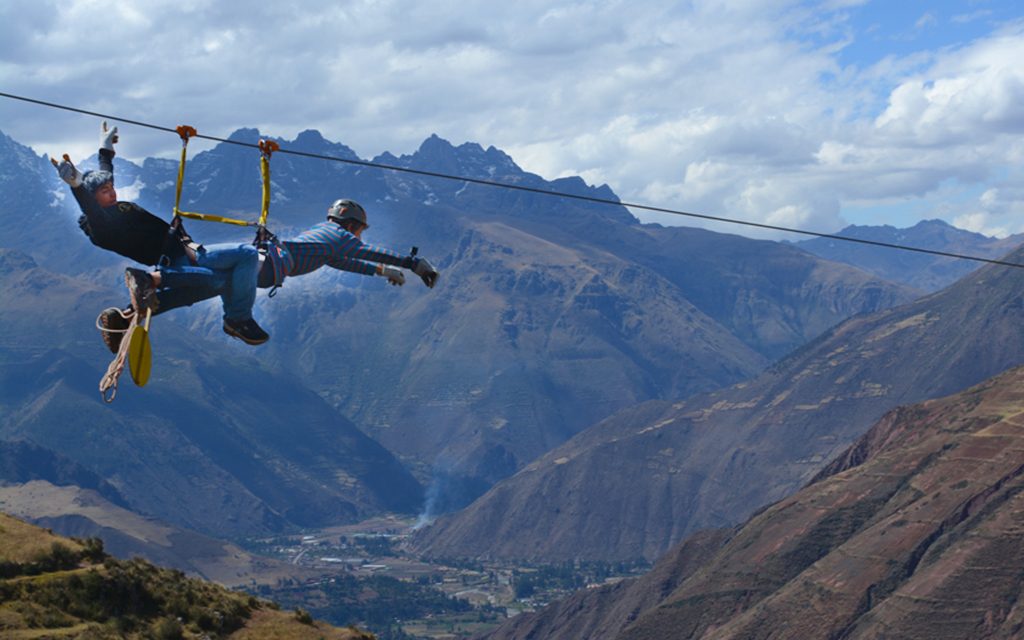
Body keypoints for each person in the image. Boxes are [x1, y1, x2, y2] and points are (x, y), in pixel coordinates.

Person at [97, 198, 441, 353]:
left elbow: (343, 262)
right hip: (260, 264)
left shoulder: (326, 241)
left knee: (213, 283)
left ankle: (129, 316)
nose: (358, 236)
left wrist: (380, 272)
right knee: (233, 261)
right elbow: (360, 251)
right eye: (358, 231)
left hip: (260, 271)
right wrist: (413, 264)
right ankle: (231, 316)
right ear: (352, 225)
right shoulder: (340, 235)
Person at [55, 122, 269, 348]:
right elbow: (92, 212)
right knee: (222, 279)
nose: (112, 193)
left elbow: (106, 172)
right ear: (93, 199)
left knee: (244, 258)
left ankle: (132, 309)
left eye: (111, 188)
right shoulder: (101, 228)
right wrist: (76, 187)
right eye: (105, 191)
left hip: (189, 250)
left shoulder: (112, 205)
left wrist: (105, 148)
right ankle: (234, 317)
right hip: (173, 261)